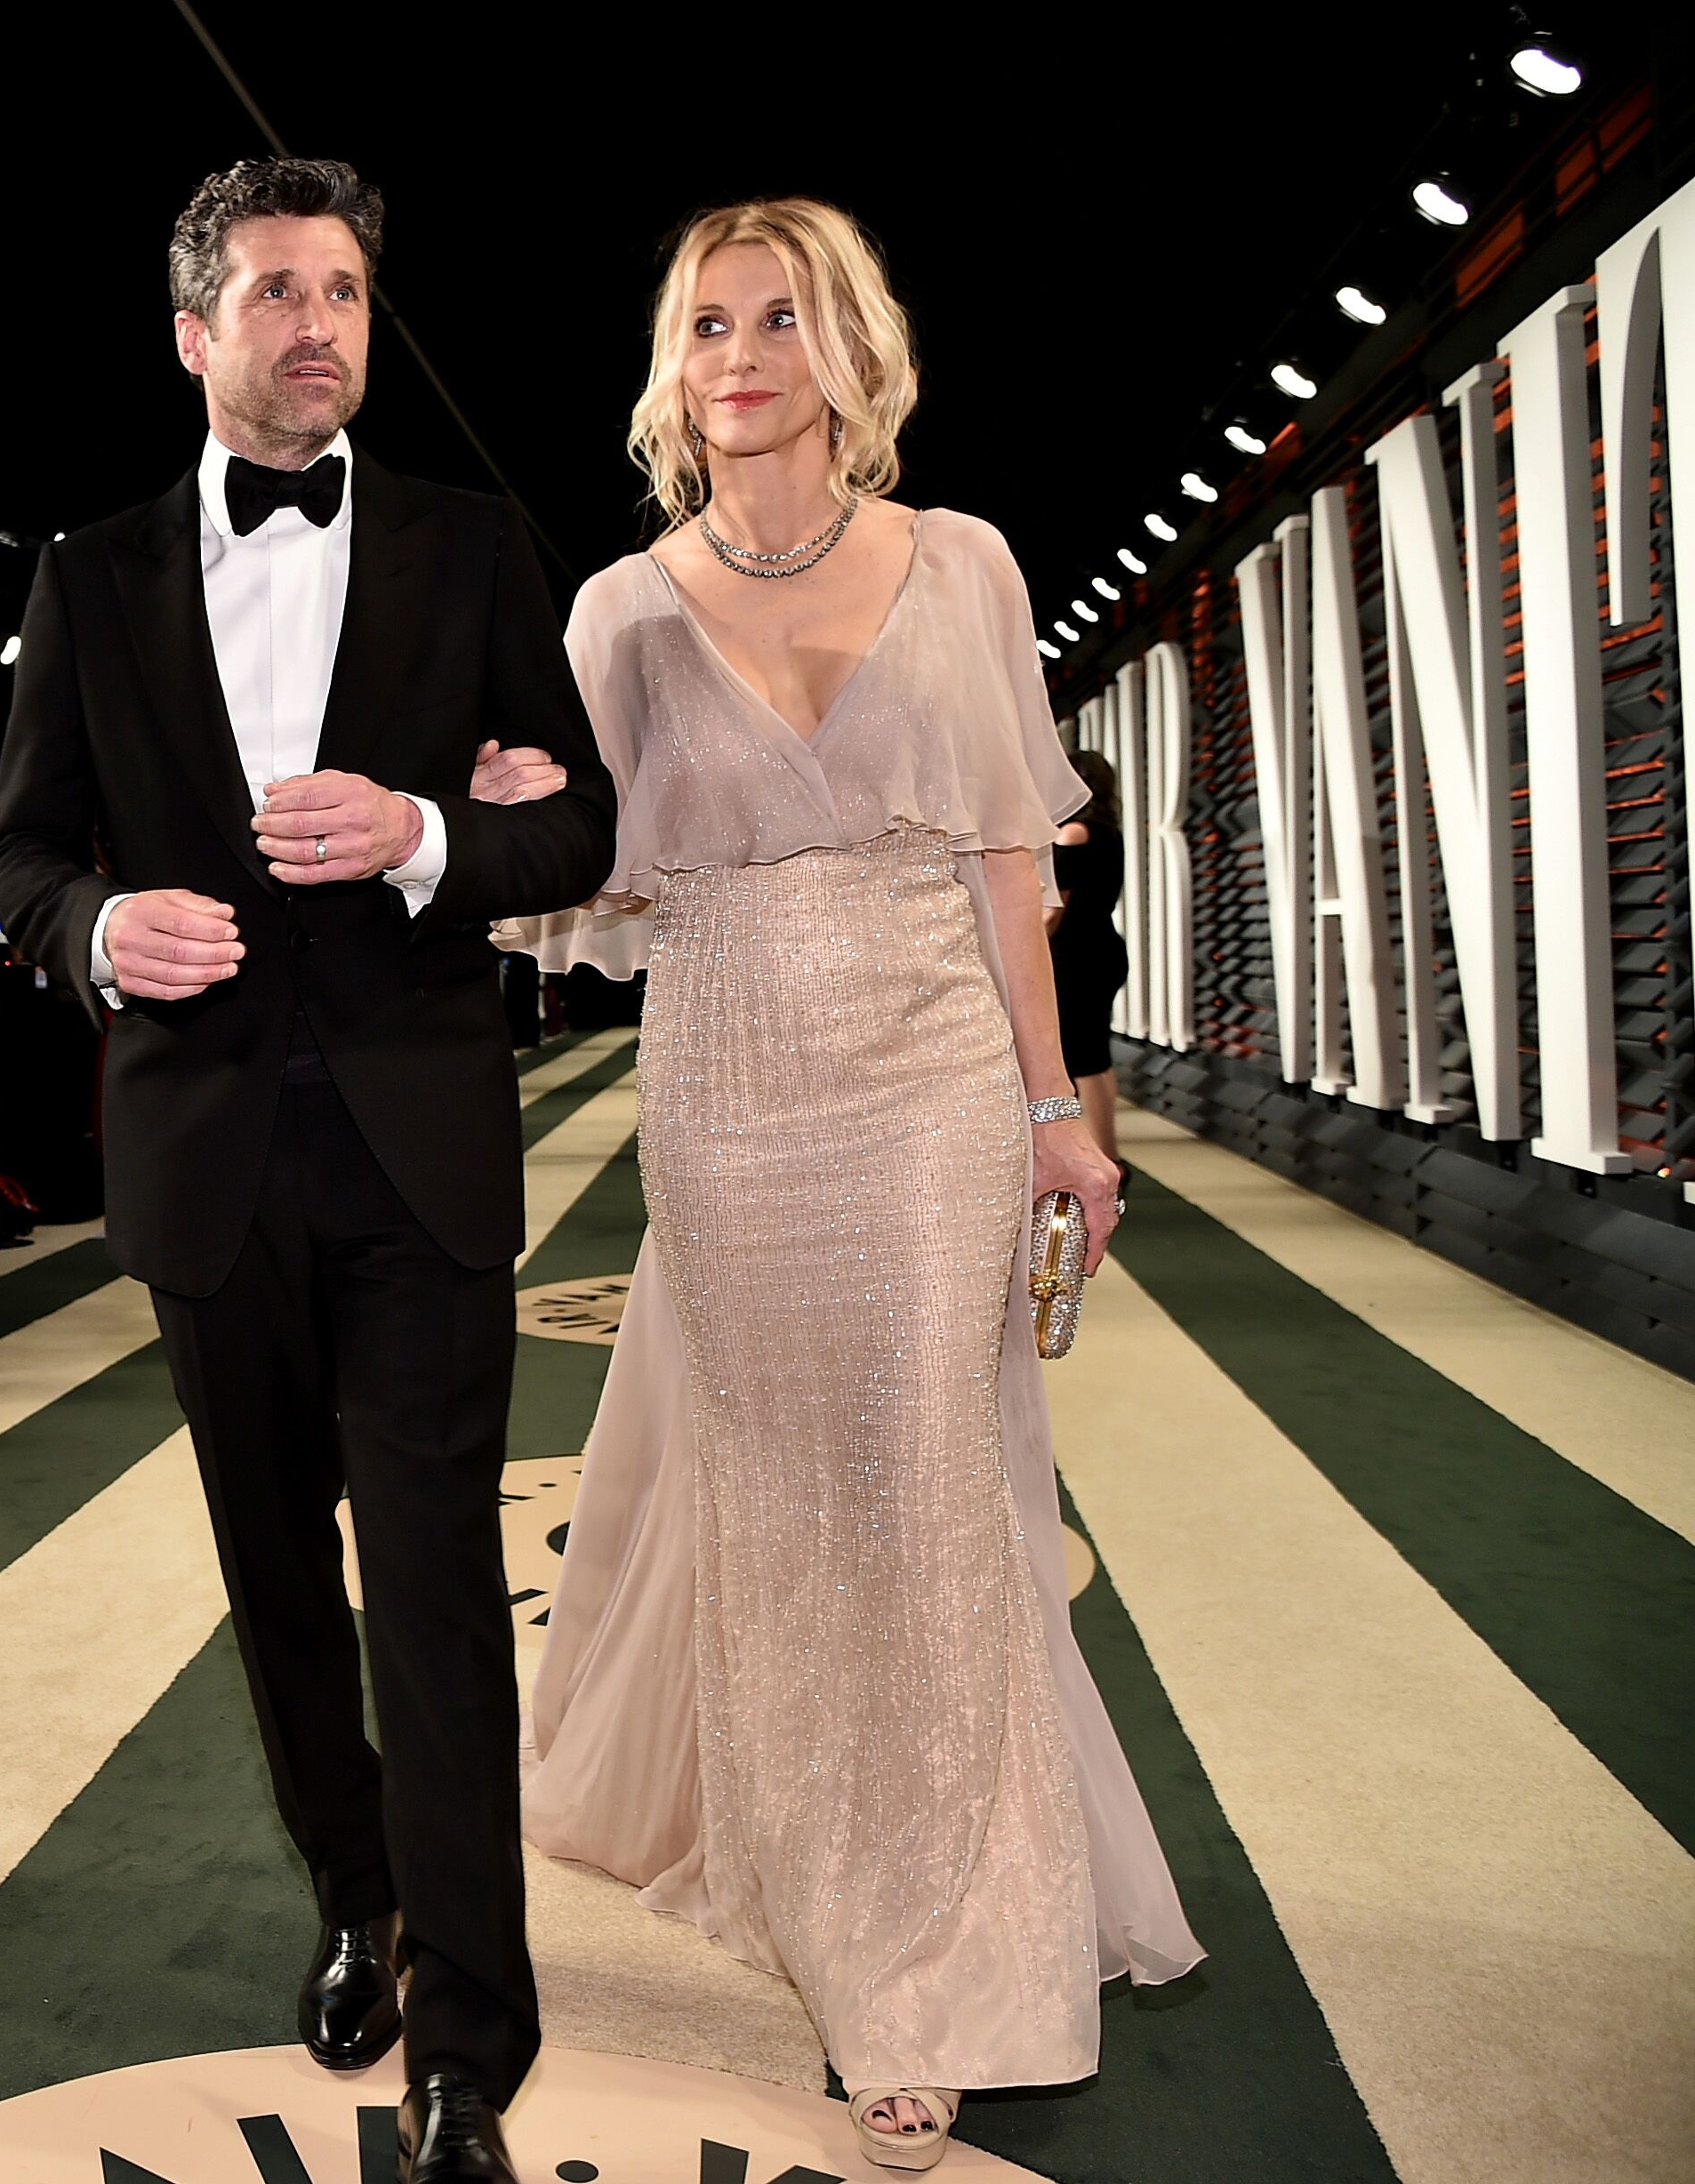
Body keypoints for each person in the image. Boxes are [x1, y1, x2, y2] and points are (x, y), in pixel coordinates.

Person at [500, 198, 1201, 2172]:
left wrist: (1059, 1108)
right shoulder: (621, 610)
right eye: (707, 323)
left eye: (780, 319)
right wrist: (495, 816)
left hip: (931, 1087)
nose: (740, 354)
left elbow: (1007, 859)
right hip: (726, 1086)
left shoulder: (957, 562)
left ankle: (934, 1965)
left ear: (847, 352)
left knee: (932, 1492)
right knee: (793, 1506)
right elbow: (596, 888)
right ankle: (817, 1878)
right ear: (675, 363)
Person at [0, 156, 615, 2184]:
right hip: (204, 1155)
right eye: (275, 290)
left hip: (419, 1147)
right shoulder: (86, 575)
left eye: (341, 287)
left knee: (432, 1589)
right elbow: (15, 857)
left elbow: (576, 826)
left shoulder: (473, 541)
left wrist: (428, 833)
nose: (317, 321)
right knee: (278, 1586)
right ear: (194, 333)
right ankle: (355, 1891)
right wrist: (95, 931)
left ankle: (469, 2041)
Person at [1048, 745, 1128, 1164]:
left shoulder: (1072, 832)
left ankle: (1105, 1158)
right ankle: (1108, 1153)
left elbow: (1054, 910)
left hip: (1075, 956)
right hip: (1103, 948)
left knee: (1081, 1058)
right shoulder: (1109, 831)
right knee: (1096, 1054)